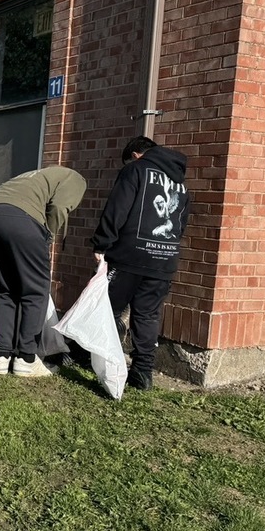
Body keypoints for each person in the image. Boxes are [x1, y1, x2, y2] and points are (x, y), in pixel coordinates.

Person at [91, 136, 190, 391]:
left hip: (129, 257)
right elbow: (181, 224)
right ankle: (143, 372)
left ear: (136, 155)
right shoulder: (181, 183)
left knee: (109, 309)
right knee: (147, 314)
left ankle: (109, 365)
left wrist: (102, 243)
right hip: (164, 259)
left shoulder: (134, 170)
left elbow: (117, 208)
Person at [0, 167, 87, 376]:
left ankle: (1, 357)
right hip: (19, 218)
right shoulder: (76, 179)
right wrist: (47, 237)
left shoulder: (37, 175)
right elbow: (58, 208)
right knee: (36, 291)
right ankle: (26, 359)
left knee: (8, 288)